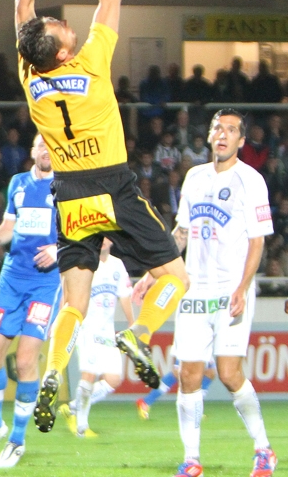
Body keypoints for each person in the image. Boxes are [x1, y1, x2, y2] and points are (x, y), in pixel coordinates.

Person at [15, 0, 189, 433]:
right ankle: (139, 334)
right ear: (64, 50)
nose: (58, 21)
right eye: (57, 26)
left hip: (68, 193)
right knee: (175, 279)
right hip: (112, 183)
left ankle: (52, 375)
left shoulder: (31, 74)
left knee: (74, 301)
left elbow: (21, 13)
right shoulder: (89, 62)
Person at [161, 108, 276, 477]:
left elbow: (257, 243)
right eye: (217, 128)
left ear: (241, 141)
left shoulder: (251, 180)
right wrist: (156, 270)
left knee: (228, 374)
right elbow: (181, 234)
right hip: (195, 289)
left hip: (231, 290)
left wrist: (243, 287)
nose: (223, 134)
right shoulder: (194, 177)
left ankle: (264, 449)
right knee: (189, 375)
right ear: (210, 136)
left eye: (231, 130)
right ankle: (192, 460)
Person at [0, 134, 61, 467]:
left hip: (44, 284)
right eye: (41, 146)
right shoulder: (18, 183)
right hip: (12, 278)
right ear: (32, 151)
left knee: (26, 362)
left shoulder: (68, 188)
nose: (46, 151)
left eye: (51, 146)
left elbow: (85, 235)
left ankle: (17, 439)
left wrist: (59, 250)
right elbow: (9, 225)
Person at [58, 238, 133, 437]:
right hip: (87, 326)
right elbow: (67, 291)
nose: (105, 240)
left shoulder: (117, 265)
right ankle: (82, 428)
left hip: (108, 330)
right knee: (89, 375)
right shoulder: (84, 262)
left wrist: (133, 325)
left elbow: (125, 296)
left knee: (113, 380)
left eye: (109, 236)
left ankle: (73, 408)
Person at [136, 359, 216, 420]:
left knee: (210, 372)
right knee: (178, 372)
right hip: (189, 341)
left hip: (203, 342)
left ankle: (194, 408)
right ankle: (146, 402)